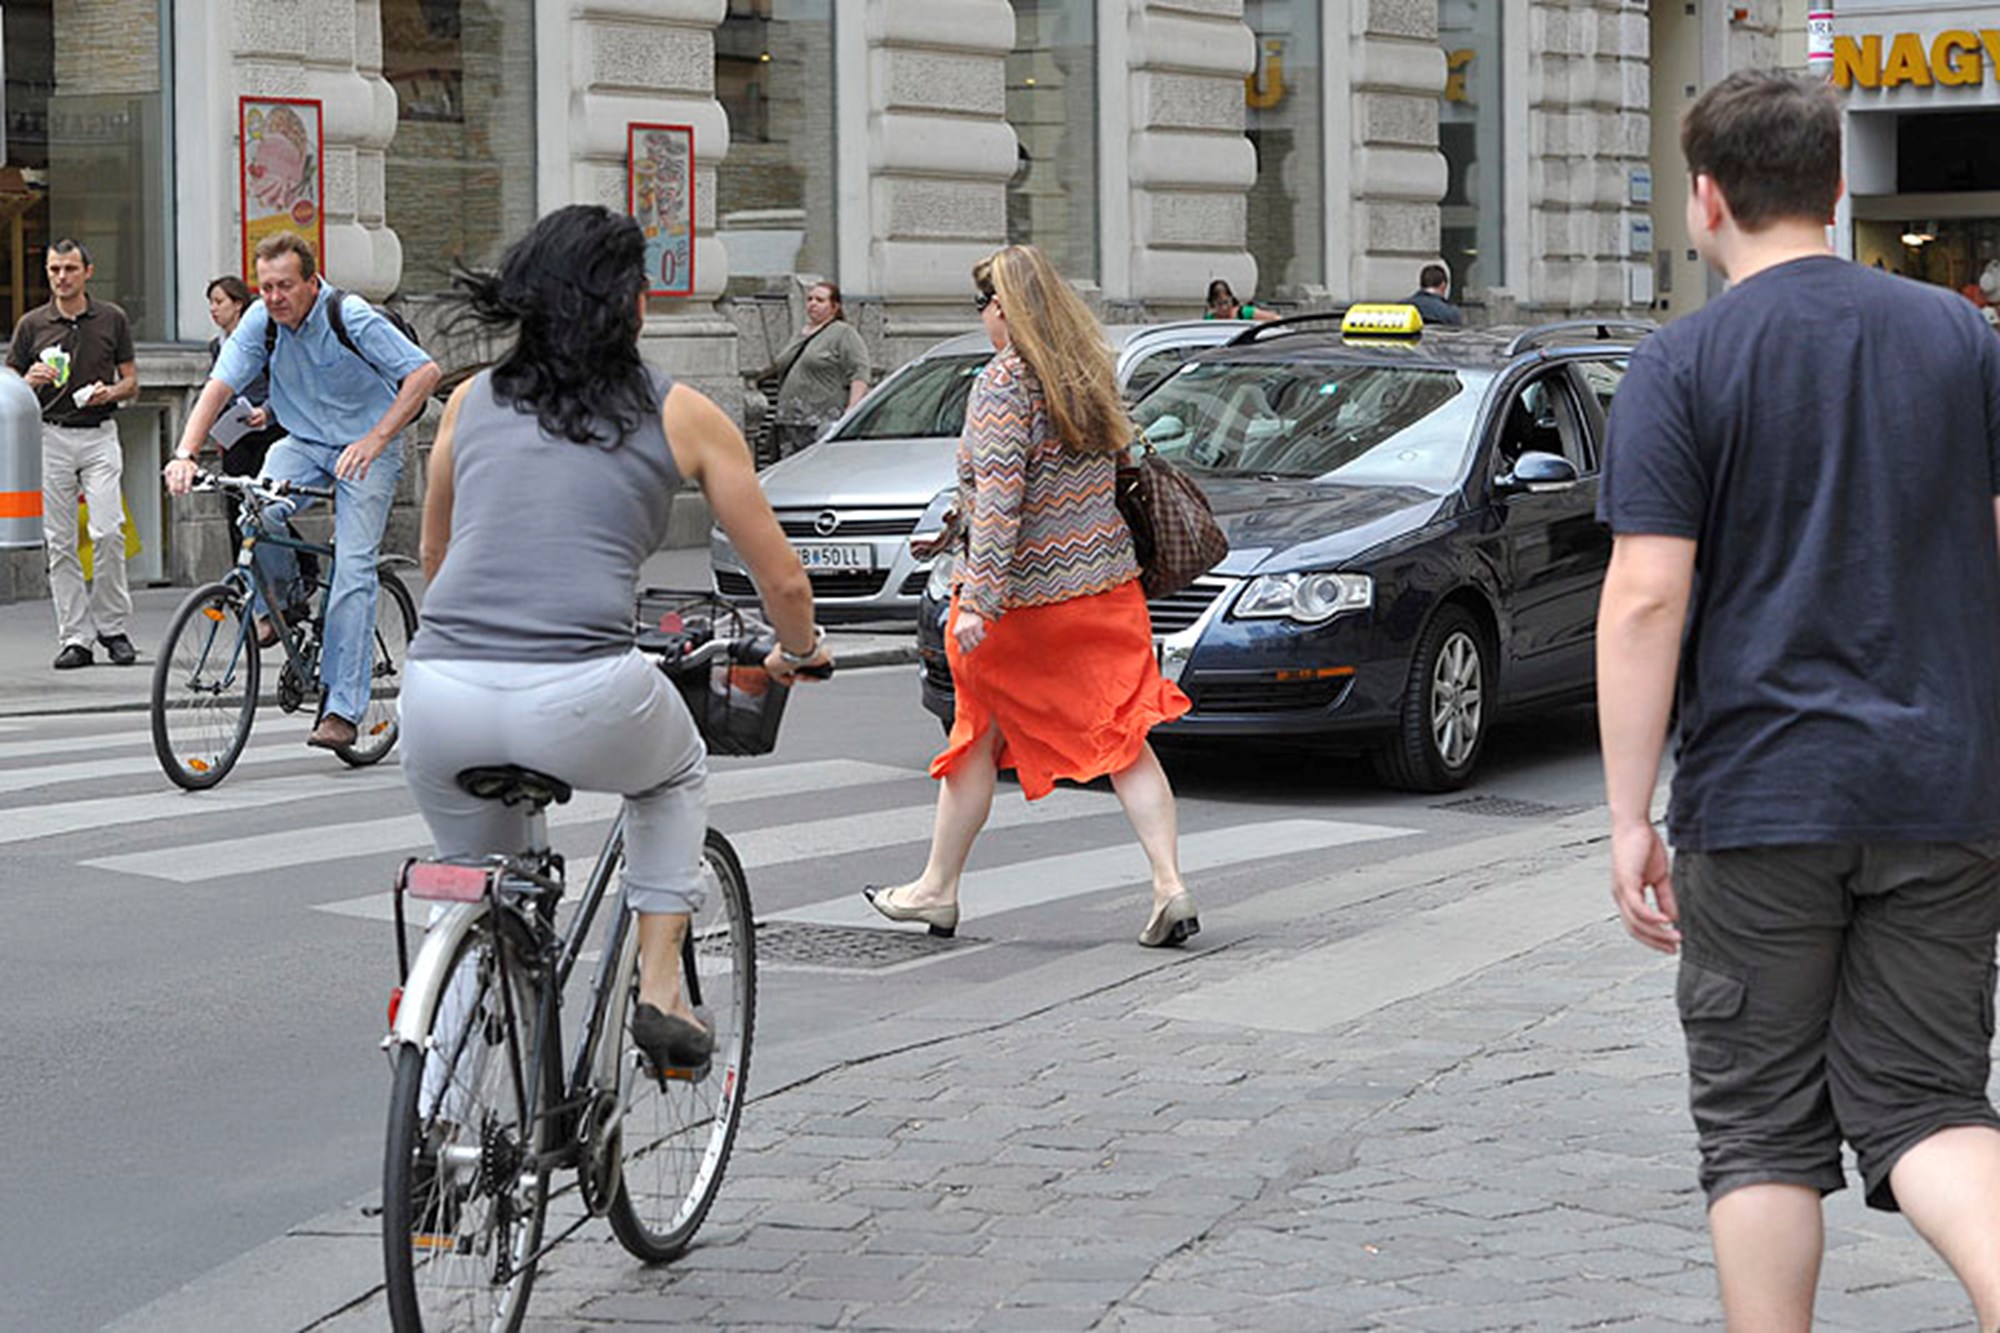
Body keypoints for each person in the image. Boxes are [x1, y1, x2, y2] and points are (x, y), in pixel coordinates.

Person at [1596, 69, 2000, 1331]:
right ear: (1834, 187)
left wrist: (1624, 814)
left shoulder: (1679, 362)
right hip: (1942, 788)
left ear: (1706, 196)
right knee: (1930, 1101)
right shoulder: (1960, 339)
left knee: (1759, 1128)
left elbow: (1647, 598)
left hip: (1759, 796)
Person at [399, 204, 832, 1068]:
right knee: (673, 773)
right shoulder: (683, 414)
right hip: (582, 690)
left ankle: (438, 1161)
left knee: (469, 899)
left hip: (438, 689)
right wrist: (803, 649)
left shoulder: (468, 400)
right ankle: (662, 986)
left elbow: (434, 552)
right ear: (632, 305)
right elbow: (782, 580)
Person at [864, 244, 1197, 948]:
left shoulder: (1003, 384)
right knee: (1126, 737)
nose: (984, 317)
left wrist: (980, 601)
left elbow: (1003, 504)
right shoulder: (1086, 374)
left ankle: (938, 888)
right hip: (1106, 589)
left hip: (1020, 605)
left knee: (974, 738)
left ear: (1008, 310)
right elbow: (1117, 466)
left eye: (986, 304)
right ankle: (1170, 883)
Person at [165, 233, 440, 751]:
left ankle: (341, 709)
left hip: (368, 449)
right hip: (304, 442)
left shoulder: (350, 315)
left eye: (285, 286)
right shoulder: (260, 322)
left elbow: (425, 373)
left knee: (353, 572)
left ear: (312, 283)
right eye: (265, 287)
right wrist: (184, 453)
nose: (274, 297)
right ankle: (288, 604)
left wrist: (377, 438)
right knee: (257, 509)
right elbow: (219, 388)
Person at [5, 239, 140, 669]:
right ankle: (76, 637)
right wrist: (29, 380)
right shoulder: (32, 324)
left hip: (99, 433)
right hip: (51, 435)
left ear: (87, 271)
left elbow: (132, 383)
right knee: (59, 541)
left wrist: (109, 392)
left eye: (69, 269)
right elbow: (10, 382)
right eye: (54, 270)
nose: (61, 277)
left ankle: (113, 628)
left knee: (108, 532)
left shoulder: (111, 319)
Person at [194, 275, 288, 547]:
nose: (213, 309)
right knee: (236, 502)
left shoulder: (263, 340)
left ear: (238, 305)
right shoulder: (218, 345)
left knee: (266, 504)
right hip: (236, 431)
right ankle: (242, 573)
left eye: (219, 302)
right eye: (210, 303)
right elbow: (219, 390)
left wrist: (266, 410)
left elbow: (283, 384)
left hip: (269, 428)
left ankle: (301, 562)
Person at [764, 281, 869, 461]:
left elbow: (860, 371)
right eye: (810, 299)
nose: (812, 303)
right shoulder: (801, 333)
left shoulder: (843, 333)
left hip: (820, 420)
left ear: (834, 307)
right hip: (789, 420)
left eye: (820, 300)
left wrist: (851, 409)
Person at [1202, 278, 1278, 323]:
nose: (1224, 308)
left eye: (1226, 302)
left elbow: (1276, 319)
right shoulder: (1209, 321)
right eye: (1219, 304)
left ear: (1231, 298)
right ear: (1212, 304)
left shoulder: (1244, 313)